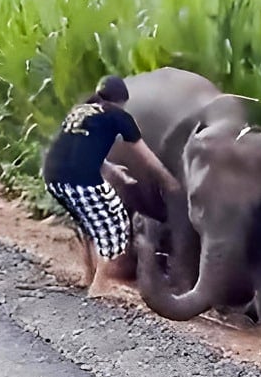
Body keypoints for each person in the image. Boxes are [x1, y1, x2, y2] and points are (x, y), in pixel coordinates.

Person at [42, 75, 179, 295]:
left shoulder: (81, 110)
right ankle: (99, 288)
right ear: (122, 100)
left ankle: (88, 275)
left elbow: (78, 149)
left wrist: (114, 171)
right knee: (116, 225)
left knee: (89, 223)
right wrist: (170, 182)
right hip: (80, 180)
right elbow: (146, 157)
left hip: (53, 177)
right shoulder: (119, 116)